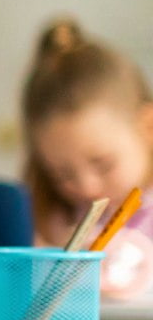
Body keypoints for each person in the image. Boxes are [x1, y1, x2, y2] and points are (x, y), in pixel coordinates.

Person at [21, 18, 153, 298]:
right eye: (62, 175)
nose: (88, 187)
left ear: (148, 127)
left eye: (103, 163)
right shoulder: (54, 218)